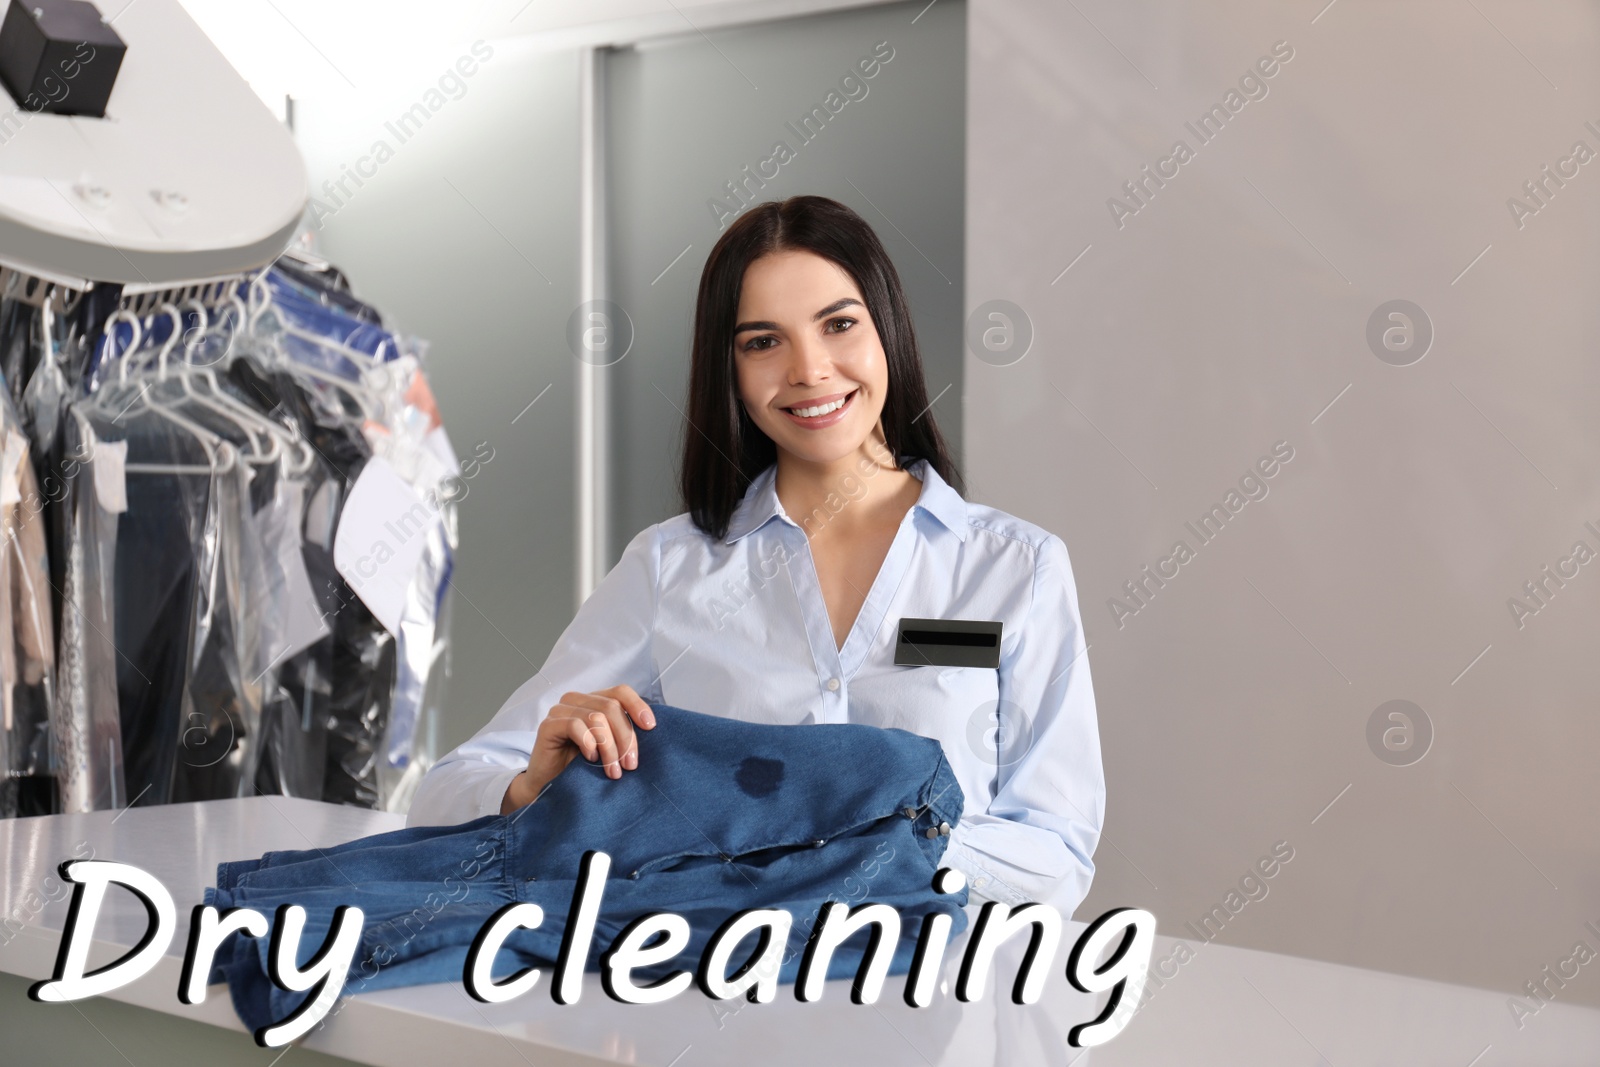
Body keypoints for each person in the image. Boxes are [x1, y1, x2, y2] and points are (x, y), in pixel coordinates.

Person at [408, 195, 1103, 914]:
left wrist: (887, 845)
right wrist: (531, 788)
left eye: (838, 324)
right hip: (709, 1000)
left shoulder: (1017, 568)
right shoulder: (668, 569)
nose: (809, 369)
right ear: (730, 370)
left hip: (937, 1004)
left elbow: (1057, 855)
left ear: (886, 330)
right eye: (763, 341)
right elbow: (444, 791)